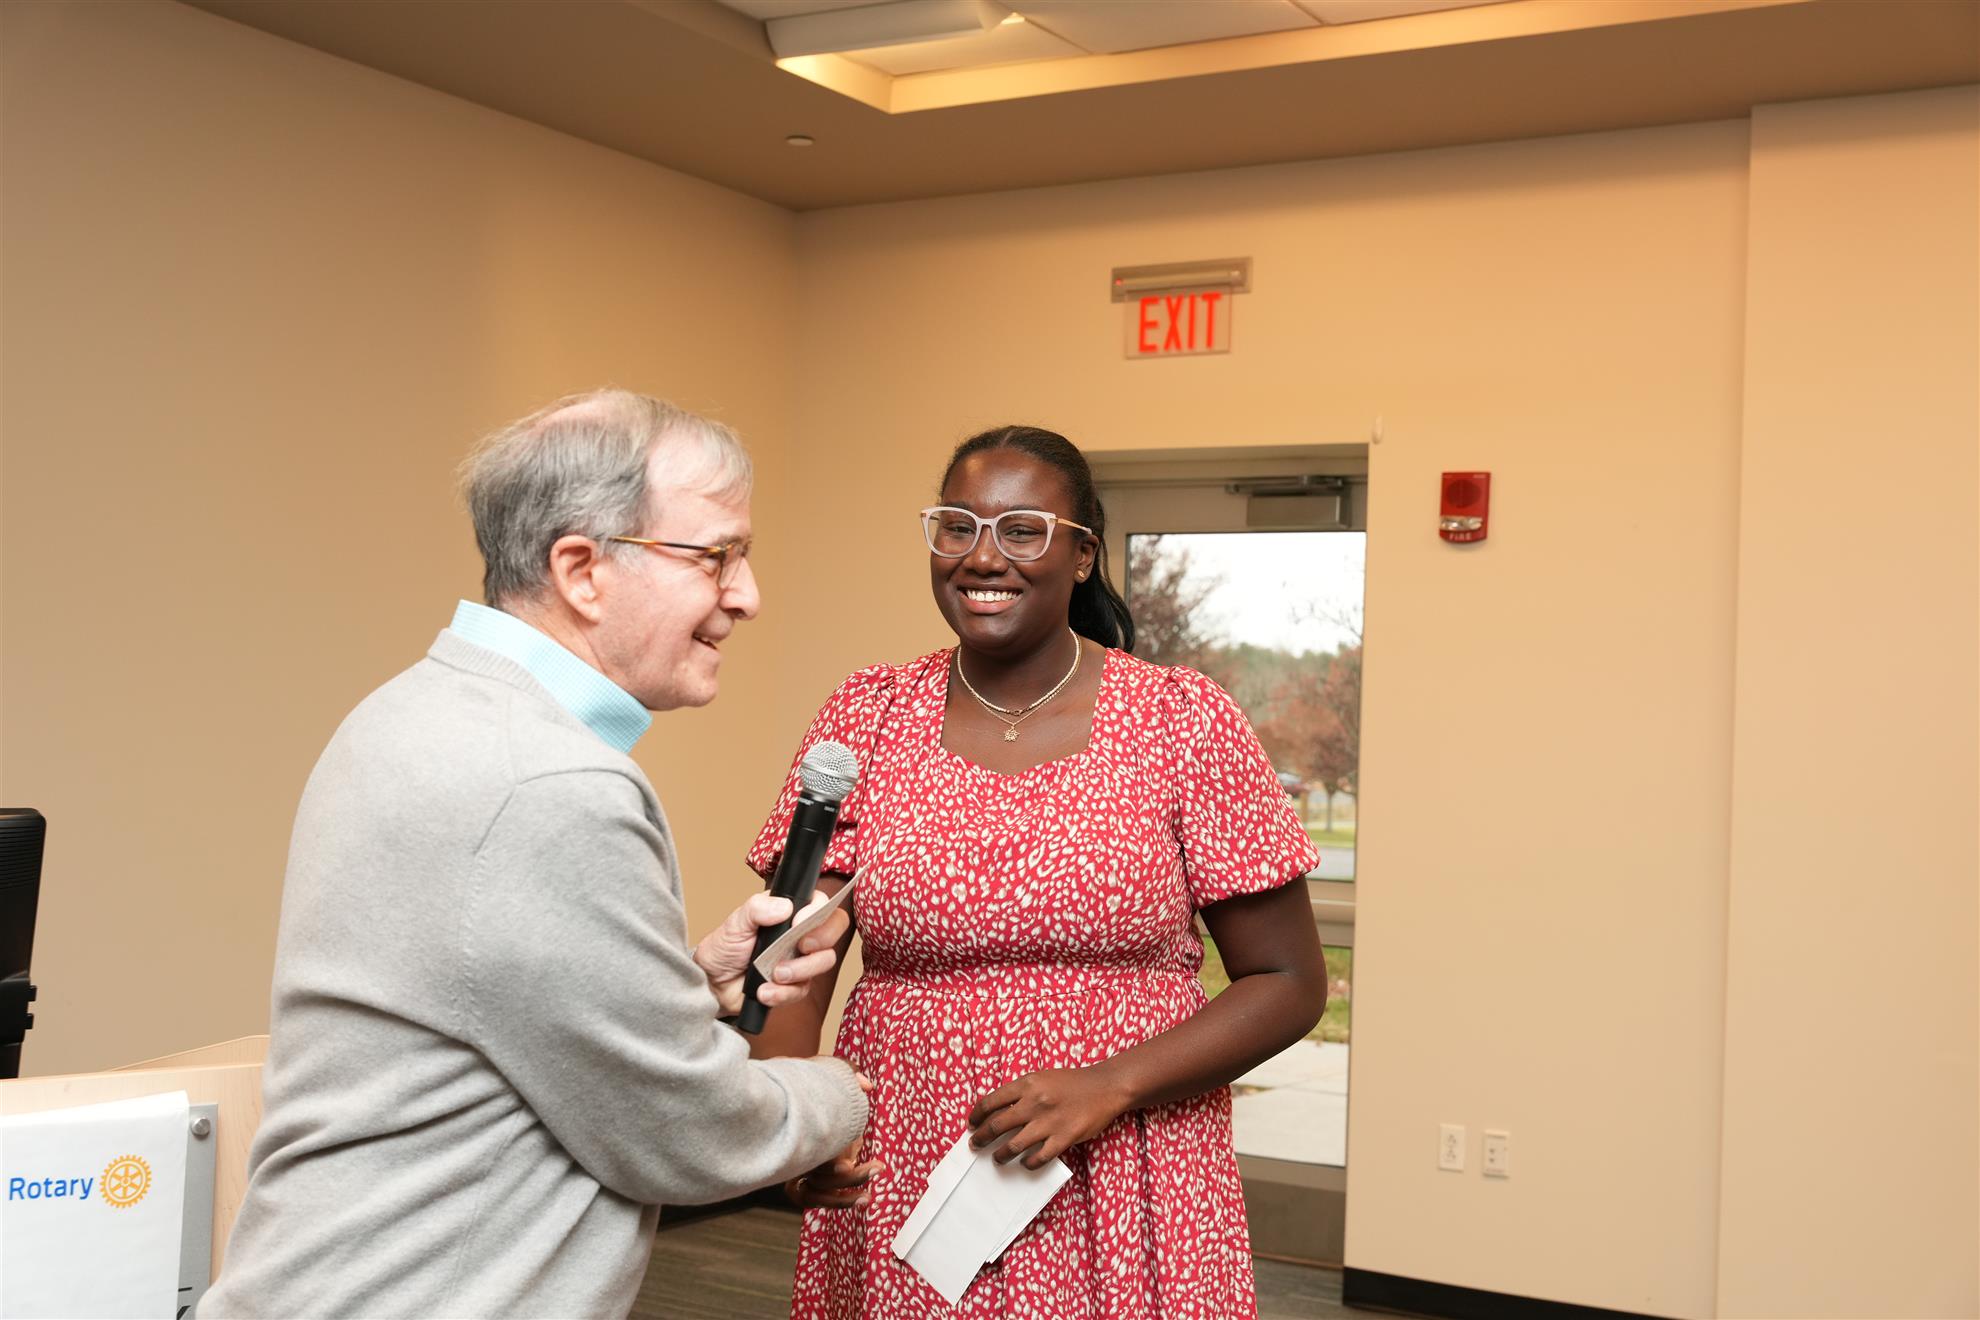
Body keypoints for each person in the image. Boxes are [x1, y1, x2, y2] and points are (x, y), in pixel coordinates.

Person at [201, 390, 869, 1319]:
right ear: (582, 571)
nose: (746, 596)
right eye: (717, 556)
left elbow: (489, 1005)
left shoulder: (408, 709)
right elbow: (685, 1134)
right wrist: (841, 1093)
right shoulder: (552, 784)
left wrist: (689, 984)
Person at [747, 425, 1328, 1317]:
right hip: (908, 1157)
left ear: (1082, 554)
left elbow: (1288, 982)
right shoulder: (868, 714)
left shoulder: (1180, 720)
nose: (984, 557)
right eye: (958, 527)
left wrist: (1109, 1084)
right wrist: (796, 1122)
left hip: (1129, 1163)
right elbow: (794, 958)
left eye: (1022, 530)